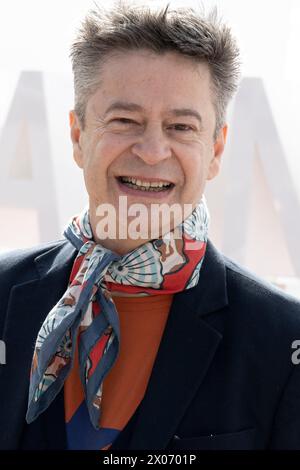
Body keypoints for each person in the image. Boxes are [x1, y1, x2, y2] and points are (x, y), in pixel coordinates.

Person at [0, 3, 300, 451]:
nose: (153, 150)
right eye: (125, 121)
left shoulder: (283, 337)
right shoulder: (4, 292)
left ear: (216, 149)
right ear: (78, 135)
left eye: (181, 126)